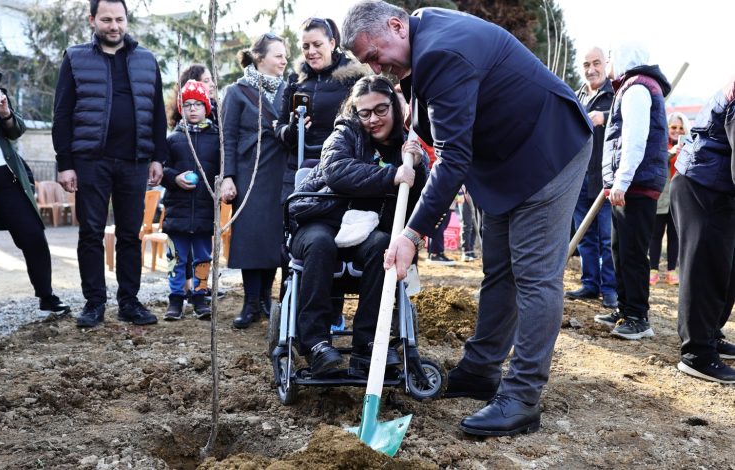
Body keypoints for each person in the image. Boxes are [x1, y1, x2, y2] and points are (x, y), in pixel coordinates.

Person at [342, 1, 592, 436]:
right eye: (367, 63)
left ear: (396, 26)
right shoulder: (422, 32)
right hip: (503, 164)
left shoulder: (441, 51)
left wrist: (411, 234)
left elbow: (454, 159)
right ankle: (481, 370)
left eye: (374, 55)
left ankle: (522, 397)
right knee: (499, 270)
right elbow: (442, 114)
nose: (376, 69)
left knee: (533, 277)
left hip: (547, 151)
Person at [288, 75, 427, 376]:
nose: (373, 120)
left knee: (382, 246)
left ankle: (369, 345)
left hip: (368, 234)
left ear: (395, 105)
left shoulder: (407, 144)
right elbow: (337, 171)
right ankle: (316, 344)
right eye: (364, 113)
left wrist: (418, 166)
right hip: (321, 219)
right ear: (355, 112)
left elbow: (419, 195)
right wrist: (391, 175)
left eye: (380, 110)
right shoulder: (344, 133)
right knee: (320, 243)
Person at [53, 0, 167, 327]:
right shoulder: (75, 58)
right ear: (93, 20)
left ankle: (130, 302)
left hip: (135, 162)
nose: (113, 26)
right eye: (106, 19)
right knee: (90, 233)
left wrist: (157, 156)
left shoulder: (146, 60)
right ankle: (94, 304)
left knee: (131, 234)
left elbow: (158, 113)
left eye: (119, 19)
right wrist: (65, 163)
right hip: (90, 161)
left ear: (126, 20)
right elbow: (62, 114)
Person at [0, 27, 70, 328]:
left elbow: (16, 130)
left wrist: (5, 113)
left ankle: (46, 294)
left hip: (5, 175)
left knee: (32, 232)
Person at [592, 42, 670, 340]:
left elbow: (635, 140)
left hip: (636, 185)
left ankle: (638, 316)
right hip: (627, 185)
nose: (608, 61)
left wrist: (622, 181)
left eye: (610, 55)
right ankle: (625, 308)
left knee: (633, 252)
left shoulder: (637, 89)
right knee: (619, 249)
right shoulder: (630, 87)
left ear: (625, 57)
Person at [221, 33, 288, 328]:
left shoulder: (290, 90)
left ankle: (264, 300)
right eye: (278, 55)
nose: (284, 60)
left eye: (285, 55)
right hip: (249, 173)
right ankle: (250, 303)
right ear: (259, 58)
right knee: (251, 237)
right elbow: (228, 138)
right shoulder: (237, 92)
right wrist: (227, 177)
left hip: (281, 173)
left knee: (274, 238)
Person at [672, 78, 735, 383]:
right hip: (703, 185)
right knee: (705, 268)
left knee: (726, 269)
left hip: (721, 188)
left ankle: (710, 334)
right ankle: (697, 353)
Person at [274, 17, 369, 201]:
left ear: (332, 43)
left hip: (341, 167)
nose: (311, 52)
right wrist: (293, 129)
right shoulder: (296, 81)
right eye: (306, 46)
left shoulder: (354, 78)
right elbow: (280, 129)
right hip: (300, 170)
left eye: (317, 44)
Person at [161, 80, 220, 321]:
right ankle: (175, 299)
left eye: (198, 104)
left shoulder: (217, 139)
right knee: (176, 258)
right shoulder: (173, 139)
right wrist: (175, 178)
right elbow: (161, 170)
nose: (193, 109)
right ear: (180, 108)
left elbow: (222, 171)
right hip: (178, 211)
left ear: (207, 107)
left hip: (205, 211)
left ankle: (199, 296)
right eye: (187, 105)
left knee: (203, 258)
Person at [565, 47, 617, 309]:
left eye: (596, 63)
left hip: (605, 178)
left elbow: (627, 122)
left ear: (605, 64)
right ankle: (590, 284)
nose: (591, 69)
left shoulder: (616, 94)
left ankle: (610, 289)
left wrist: (604, 117)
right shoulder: (577, 96)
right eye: (586, 64)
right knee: (585, 235)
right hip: (578, 178)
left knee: (606, 238)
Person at [649, 111, 689, 286]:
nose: (677, 131)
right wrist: (671, 152)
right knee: (655, 235)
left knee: (675, 236)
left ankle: (672, 271)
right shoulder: (660, 143)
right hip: (660, 197)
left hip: (679, 199)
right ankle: (653, 270)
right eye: (673, 127)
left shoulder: (689, 146)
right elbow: (655, 161)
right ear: (667, 127)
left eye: (681, 128)